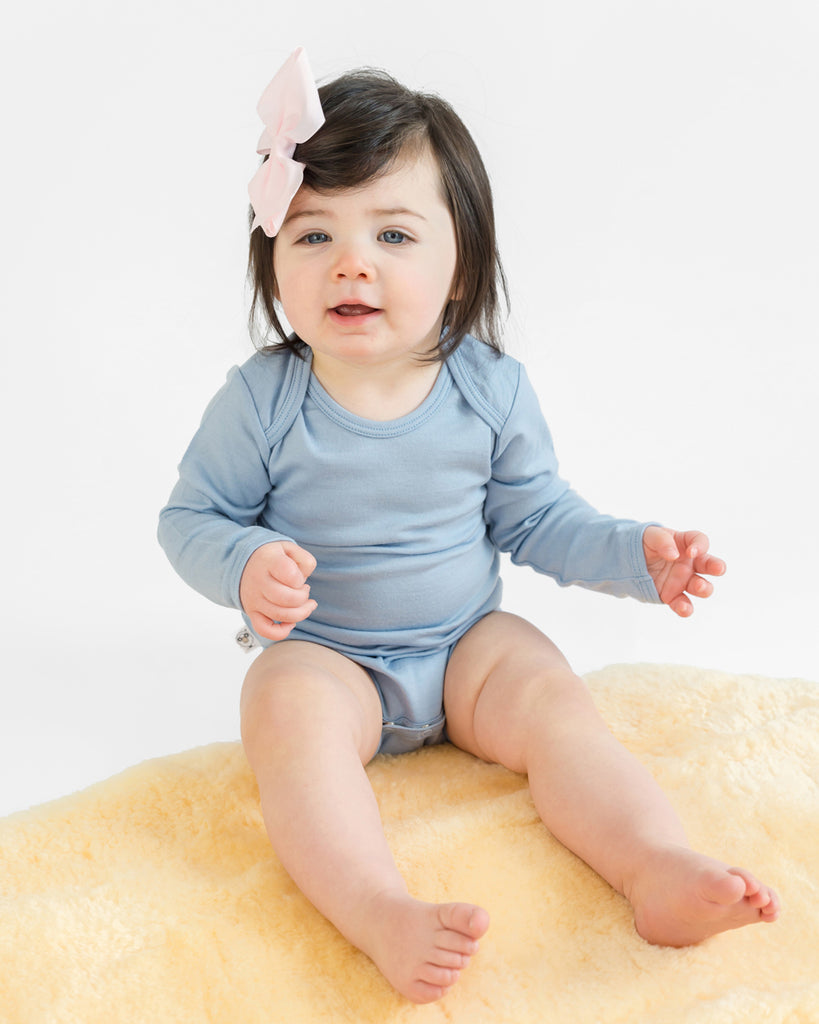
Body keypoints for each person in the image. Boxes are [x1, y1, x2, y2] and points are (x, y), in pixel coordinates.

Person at [158, 48, 779, 1004]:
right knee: (282, 704)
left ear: (460, 268)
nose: (351, 262)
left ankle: (655, 866)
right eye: (313, 235)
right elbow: (191, 517)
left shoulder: (489, 390)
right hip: (336, 657)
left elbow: (534, 516)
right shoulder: (262, 402)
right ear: (273, 261)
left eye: (393, 236)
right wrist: (241, 564)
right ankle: (377, 910)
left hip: (462, 652)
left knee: (548, 688)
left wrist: (630, 553)